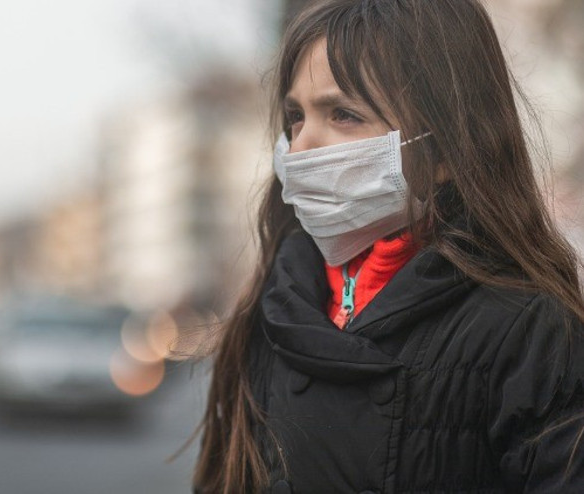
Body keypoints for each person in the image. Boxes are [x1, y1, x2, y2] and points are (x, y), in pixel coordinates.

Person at [191, 0, 584, 492]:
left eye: (344, 114)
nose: (302, 145)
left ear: (444, 151)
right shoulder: (267, 314)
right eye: (295, 116)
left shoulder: (531, 331)